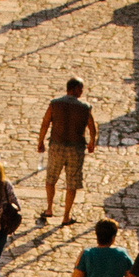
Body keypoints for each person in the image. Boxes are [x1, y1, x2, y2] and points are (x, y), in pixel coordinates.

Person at [37, 77, 98, 223]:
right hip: (75, 148)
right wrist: (91, 143)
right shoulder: (85, 107)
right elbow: (92, 127)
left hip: (57, 146)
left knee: (51, 178)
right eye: (81, 88)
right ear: (75, 88)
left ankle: (49, 208)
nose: (82, 91)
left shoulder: (55, 104)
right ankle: (66, 216)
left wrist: (40, 141)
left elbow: (45, 123)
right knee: (72, 183)